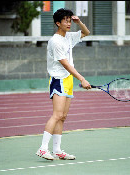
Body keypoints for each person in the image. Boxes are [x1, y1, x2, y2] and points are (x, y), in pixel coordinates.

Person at [36, 8, 91, 160]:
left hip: (68, 80)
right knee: (57, 115)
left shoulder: (68, 37)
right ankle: (42, 148)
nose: (68, 23)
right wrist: (82, 79)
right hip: (58, 80)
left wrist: (79, 22)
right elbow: (66, 65)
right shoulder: (55, 41)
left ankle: (57, 150)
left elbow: (86, 33)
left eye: (69, 20)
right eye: (65, 21)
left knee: (63, 117)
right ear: (57, 23)